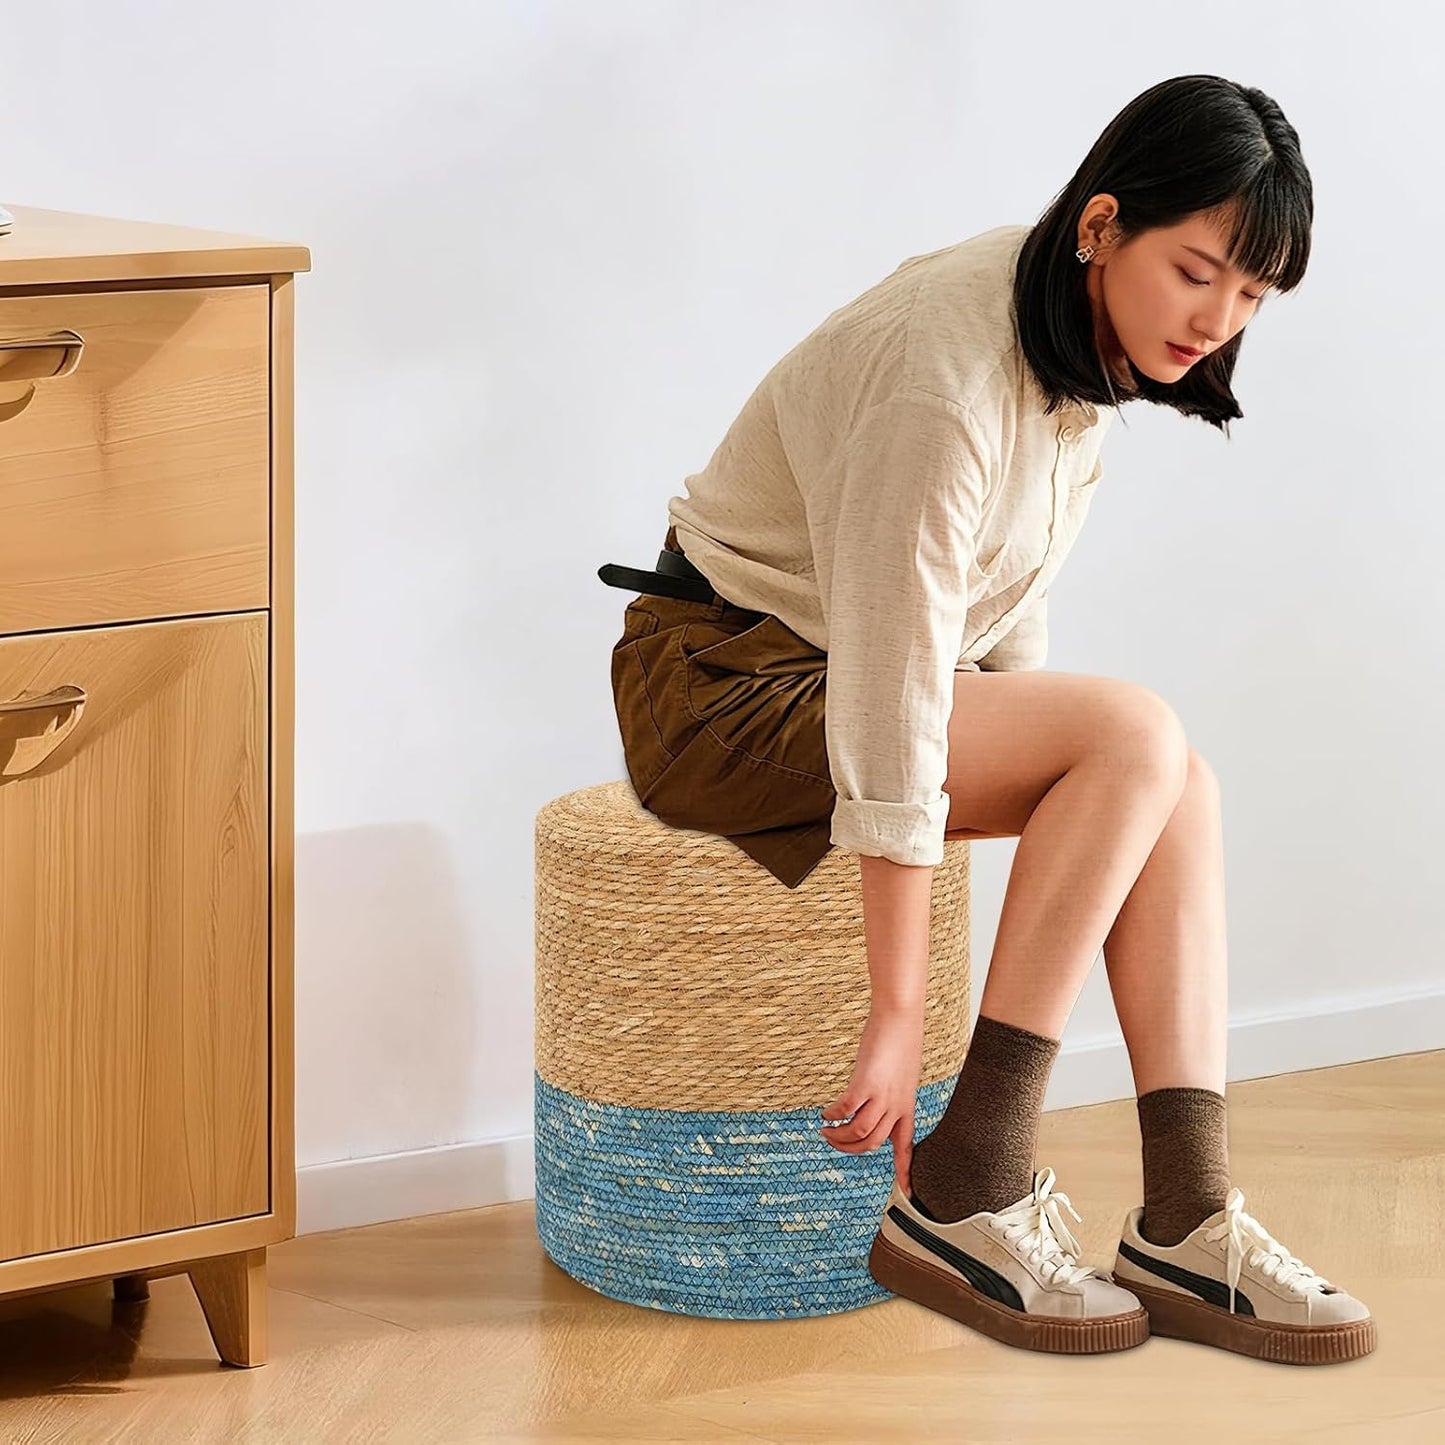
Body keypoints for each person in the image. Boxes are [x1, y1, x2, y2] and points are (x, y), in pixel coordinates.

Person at [601, 74, 1375, 1363]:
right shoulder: (944, 374)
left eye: (1252, 297)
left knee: (1173, 771)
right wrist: (899, 1009)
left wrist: (1083, 780)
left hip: (833, 665)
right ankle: (969, 1180)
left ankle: (1185, 1210)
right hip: (719, 685)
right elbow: (903, 685)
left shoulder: (1073, 343)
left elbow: (997, 620)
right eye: (1198, 272)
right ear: (1102, 222)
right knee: (1136, 734)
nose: (1219, 321)